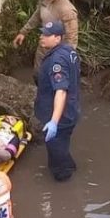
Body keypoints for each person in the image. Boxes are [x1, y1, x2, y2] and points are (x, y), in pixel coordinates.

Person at [34, 20, 81, 181]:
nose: (42, 37)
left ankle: (65, 187)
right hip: (71, 111)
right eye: (42, 34)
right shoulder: (69, 51)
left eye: (47, 35)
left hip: (59, 116)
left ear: (58, 38)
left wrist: (54, 121)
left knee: (57, 156)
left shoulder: (57, 61)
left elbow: (61, 91)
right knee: (62, 146)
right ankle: (70, 166)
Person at [13, 0, 78, 72]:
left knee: (53, 79)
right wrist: (23, 32)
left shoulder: (67, 10)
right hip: (42, 47)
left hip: (57, 51)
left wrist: (64, 59)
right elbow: (37, 16)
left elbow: (71, 39)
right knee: (38, 74)